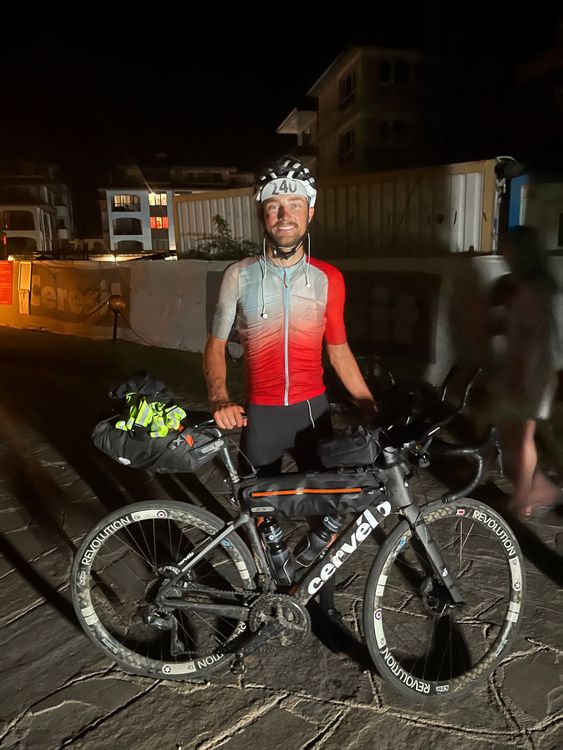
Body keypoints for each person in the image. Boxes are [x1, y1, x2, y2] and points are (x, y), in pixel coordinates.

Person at [204, 155, 378, 646]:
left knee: (329, 517)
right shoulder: (238, 275)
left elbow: (339, 351)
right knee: (257, 518)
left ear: (310, 212)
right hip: (260, 415)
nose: (284, 215)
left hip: (311, 413)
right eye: (275, 205)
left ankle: (321, 603)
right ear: (263, 214)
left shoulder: (328, 279)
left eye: (294, 204)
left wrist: (371, 406)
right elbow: (215, 345)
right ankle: (261, 602)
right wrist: (219, 396)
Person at [488, 225, 562, 516]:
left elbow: (534, 342)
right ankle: (537, 488)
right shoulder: (531, 286)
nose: (502, 251)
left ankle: (525, 497)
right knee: (515, 432)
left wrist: (520, 377)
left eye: (507, 246)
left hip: (531, 373)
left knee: (521, 434)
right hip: (529, 370)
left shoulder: (532, 289)